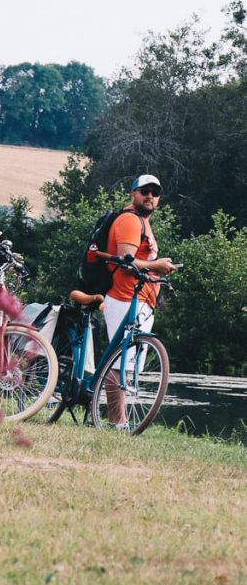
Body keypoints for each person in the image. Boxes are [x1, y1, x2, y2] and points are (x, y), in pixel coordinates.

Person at [101, 174, 177, 425]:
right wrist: (156, 265)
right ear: (133, 193)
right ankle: (117, 422)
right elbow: (126, 261)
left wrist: (158, 269)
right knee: (120, 362)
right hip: (125, 297)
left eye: (155, 193)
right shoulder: (130, 221)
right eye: (144, 191)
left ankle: (119, 421)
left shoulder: (143, 222)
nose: (150, 196)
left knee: (128, 362)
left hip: (140, 299)